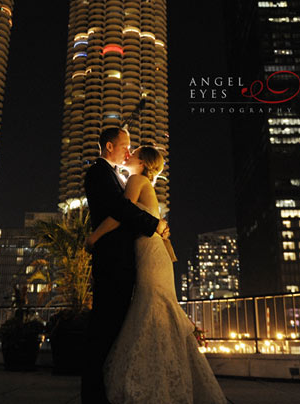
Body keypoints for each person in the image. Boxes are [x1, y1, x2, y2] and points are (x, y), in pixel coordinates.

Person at [87, 145, 228, 404]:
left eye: (134, 153)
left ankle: (151, 379)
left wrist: (95, 235)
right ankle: (164, 376)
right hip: (154, 254)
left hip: (150, 255)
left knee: (150, 307)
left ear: (142, 162)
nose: (129, 154)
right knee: (155, 308)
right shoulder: (144, 183)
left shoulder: (136, 179)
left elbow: (121, 214)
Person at [82, 127, 170, 404]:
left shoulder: (120, 177)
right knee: (104, 328)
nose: (128, 151)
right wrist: (154, 224)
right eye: (125, 145)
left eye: (131, 147)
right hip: (112, 261)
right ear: (109, 147)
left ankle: (105, 389)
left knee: (114, 326)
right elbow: (121, 211)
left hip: (125, 260)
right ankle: (94, 396)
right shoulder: (99, 172)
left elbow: (125, 210)